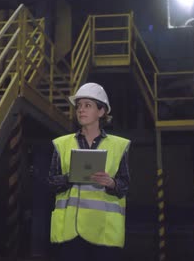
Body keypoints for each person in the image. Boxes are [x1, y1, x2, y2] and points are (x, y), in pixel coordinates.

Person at [48, 82, 131, 260]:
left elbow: (124, 186)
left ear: (101, 112)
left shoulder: (118, 146)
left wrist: (112, 183)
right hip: (70, 234)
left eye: (87, 105)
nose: (80, 110)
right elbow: (51, 183)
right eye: (78, 106)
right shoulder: (62, 144)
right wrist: (70, 177)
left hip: (103, 234)